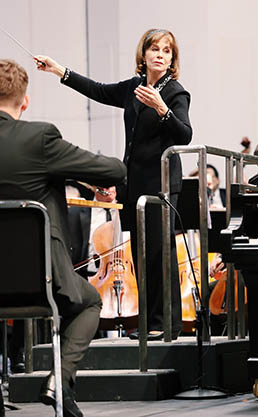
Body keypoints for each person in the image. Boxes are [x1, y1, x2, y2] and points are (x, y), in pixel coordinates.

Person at [36, 28, 193, 340]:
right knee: (140, 255)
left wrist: (162, 109)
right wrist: (59, 70)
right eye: (154, 49)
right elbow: (98, 90)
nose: (160, 55)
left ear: (172, 59)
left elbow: (185, 135)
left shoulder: (175, 92)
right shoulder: (134, 87)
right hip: (134, 184)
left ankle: (167, 323)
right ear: (144, 54)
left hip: (161, 185)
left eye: (166, 51)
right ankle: (150, 321)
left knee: (159, 255)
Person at [0, 59, 126, 417]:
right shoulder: (38, 139)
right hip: (39, 278)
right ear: (25, 101)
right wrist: (71, 174)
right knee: (88, 301)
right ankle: (60, 379)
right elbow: (113, 169)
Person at [68, 186, 118, 278]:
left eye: (112, 185)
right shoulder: (74, 212)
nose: (109, 190)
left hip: (120, 274)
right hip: (86, 276)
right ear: (94, 188)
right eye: (105, 186)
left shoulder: (125, 211)